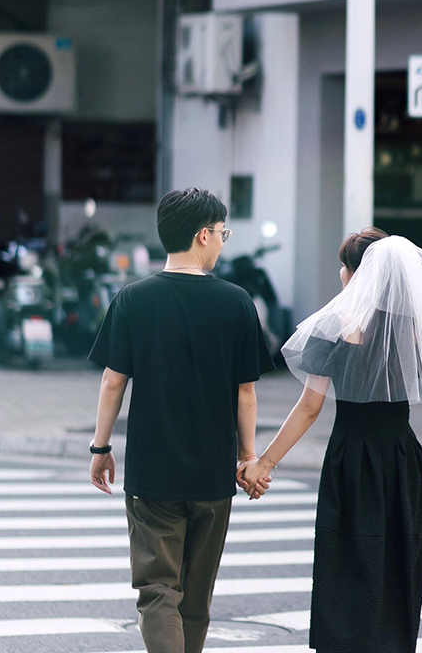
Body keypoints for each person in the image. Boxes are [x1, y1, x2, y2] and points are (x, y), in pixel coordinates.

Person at [240, 228, 422, 653]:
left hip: (350, 457)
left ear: (357, 273)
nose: (341, 272)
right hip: (400, 457)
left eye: (345, 265)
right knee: (395, 563)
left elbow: (309, 408)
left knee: (347, 560)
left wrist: (263, 463)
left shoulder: (332, 325)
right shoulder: (414, 328)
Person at [88, 187, 275, 653]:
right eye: (223, 232)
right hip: (211, 475)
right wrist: (247, 456)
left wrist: (101, 448)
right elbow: (245, 392)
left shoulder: (134, 299)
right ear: (203, 235)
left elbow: (114, 382)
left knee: (158, 592)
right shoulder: (236, 302)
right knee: (195, 598)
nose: (224, 241)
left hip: (153, 473)